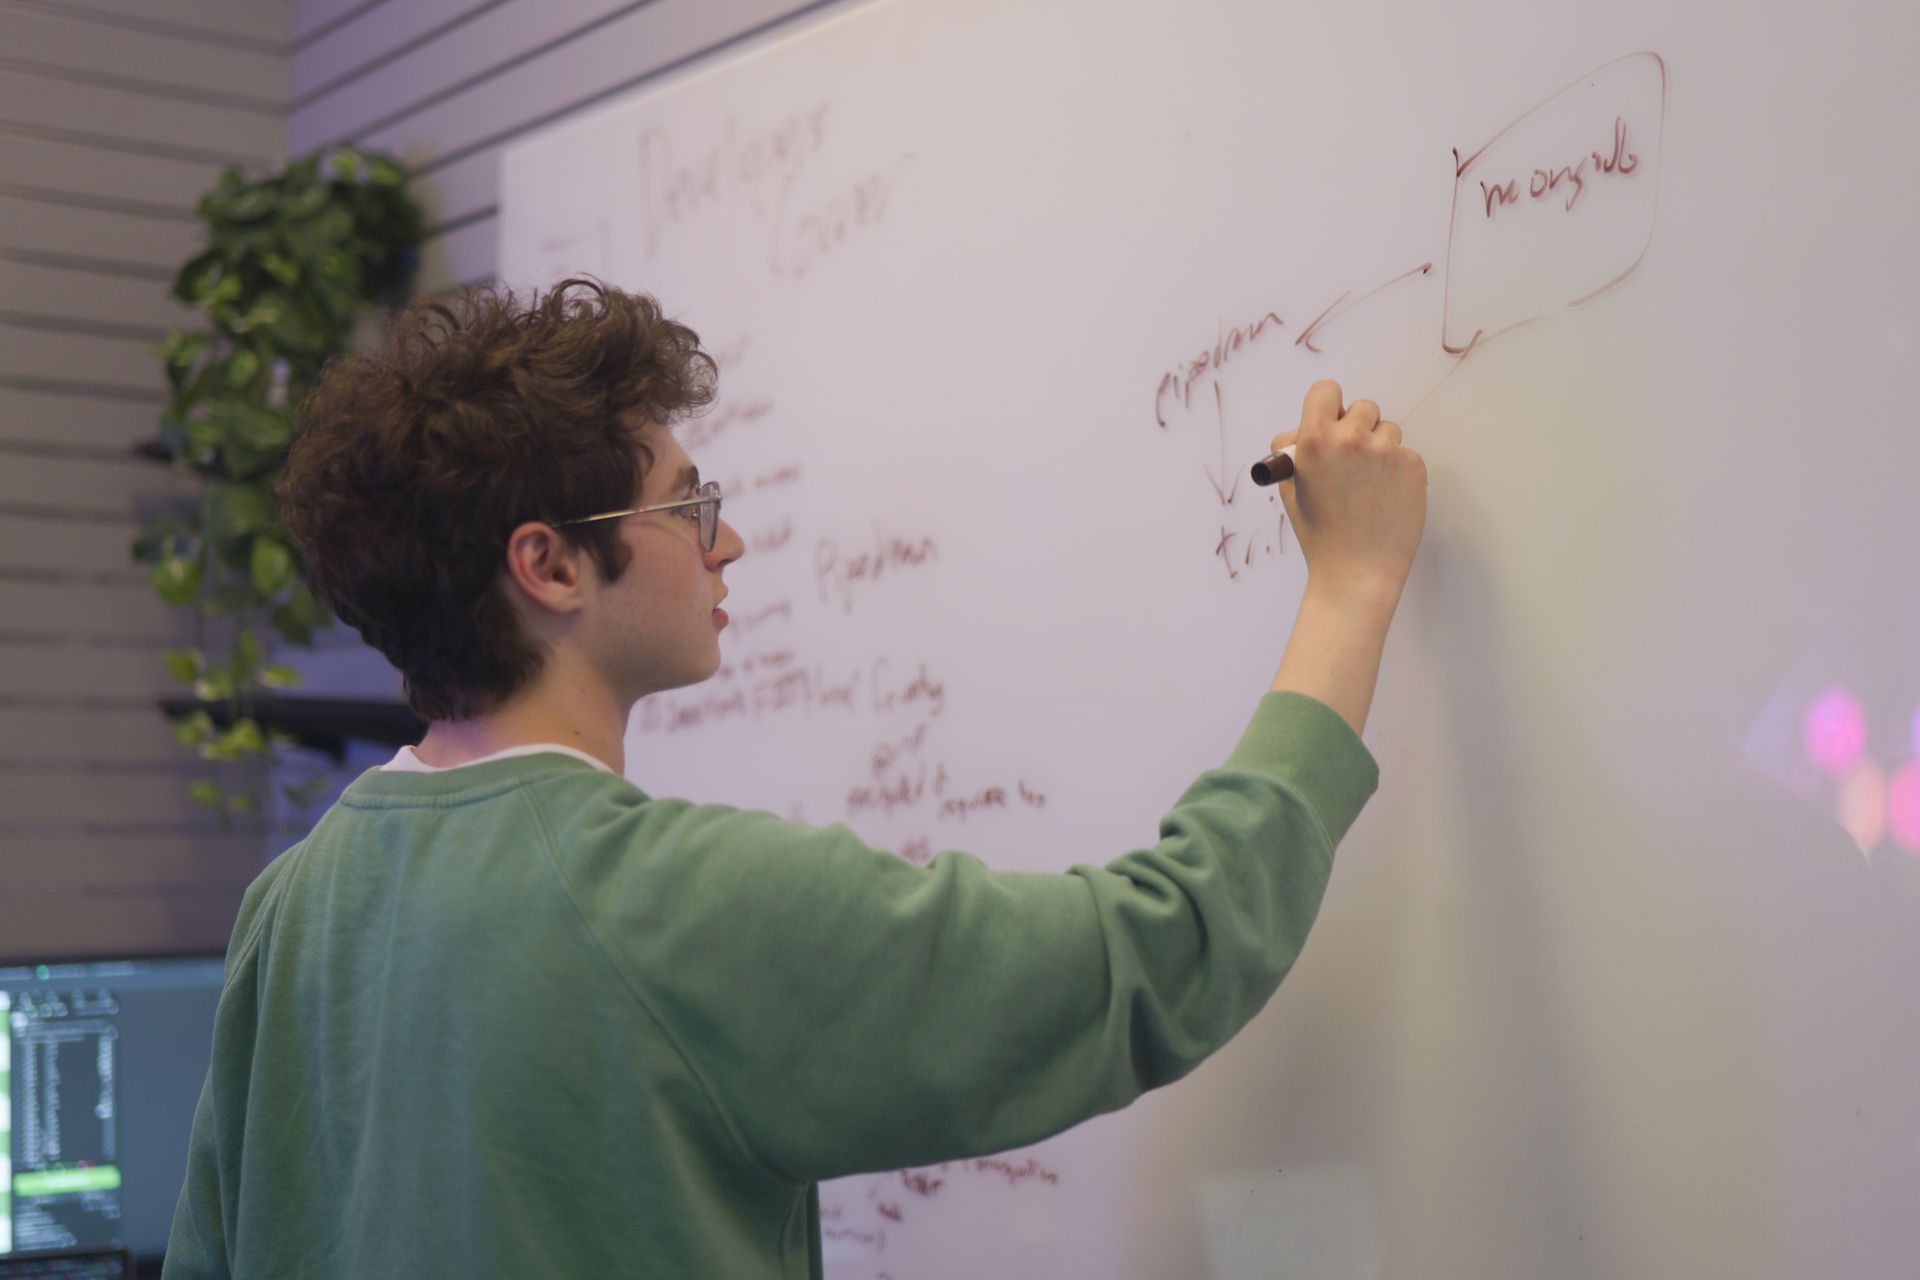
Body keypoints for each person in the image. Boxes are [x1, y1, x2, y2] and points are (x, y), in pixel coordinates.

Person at [160, 278, 1427, 1278]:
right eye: (687, 504)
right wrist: (1352, 588)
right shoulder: (666, 904)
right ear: (548, 566)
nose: (732, 537)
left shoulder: (294, 903)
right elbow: (1158, 954)